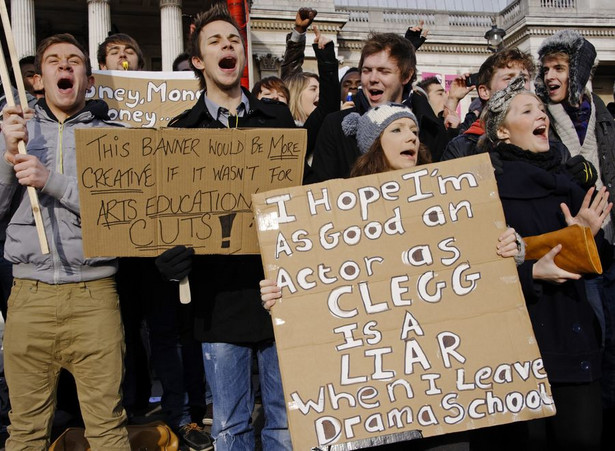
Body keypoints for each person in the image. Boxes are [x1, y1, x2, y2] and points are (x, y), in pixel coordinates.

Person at [261, 103, 520, 451]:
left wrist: (509, 247)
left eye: (414, 131)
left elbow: (476, 259)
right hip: (379, 399)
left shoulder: (448, 197)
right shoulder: (339, 209)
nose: (411, 137)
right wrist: (283, 295)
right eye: (397, 130)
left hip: (443, 390)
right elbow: (319, 281)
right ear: (373, 144)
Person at [157, 4, 295, 450]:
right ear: (199, 61)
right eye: (215, 41)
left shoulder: (278, 123)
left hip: (280, 293)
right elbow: (166, 218)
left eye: (233, 40)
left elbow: (302, 199)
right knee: (230, 427)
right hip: (218, 303)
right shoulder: (181, 133)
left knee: (283, 423)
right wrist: (169, 258)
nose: (227, 46)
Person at [0, 33, 130, 450]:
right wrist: (7, 155)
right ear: (38, 80)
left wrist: (51, 181)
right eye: (54, 60)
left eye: (74, 60)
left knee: (107, 428)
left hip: (94, 295)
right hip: (28, 296)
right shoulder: (15, 129)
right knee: (25, 432)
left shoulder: (113, 135)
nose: (65, 66)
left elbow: (122, 215)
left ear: (88, 81)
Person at [479, 76, 612, 450]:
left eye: (542, 109)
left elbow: (597, 262)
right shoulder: (484, 189)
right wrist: (530, 272)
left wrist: (585, 236)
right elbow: (471, 273)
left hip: (574, 345)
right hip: (515, 353)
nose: (542, 115)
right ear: (502, 131)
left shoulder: (569, 180)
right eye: (528, 110)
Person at [534, 30, 615, 449]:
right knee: (595, 334)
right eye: (546, 68)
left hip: (611, 242)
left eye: (560, 68)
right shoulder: (540, 117)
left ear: (579, 71)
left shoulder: (602, 112)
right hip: (573, 243)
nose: (550, 76)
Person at [309, 32, 417, 182]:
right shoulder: (336, 126)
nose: (372, 79)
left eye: (383, 71)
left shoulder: (429, 128)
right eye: (366, 71)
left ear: (406, 76)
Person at [441, 48, 534, 161]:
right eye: (508, 78)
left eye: (524, 79)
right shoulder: (461, 148)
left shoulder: (545, 139)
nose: (519, 84)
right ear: (485, 92)